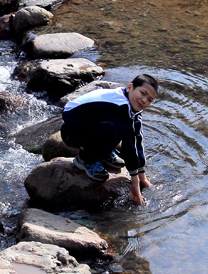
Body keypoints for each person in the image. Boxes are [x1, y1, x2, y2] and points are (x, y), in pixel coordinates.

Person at [60, 73, 158, 204]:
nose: (144, 100)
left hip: (90, 125)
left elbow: (137, 140)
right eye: (143, 93)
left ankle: (102, 153)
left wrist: (142, 177)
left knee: (121, 130)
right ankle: (86, 159)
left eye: (150, 99)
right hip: (72, 131)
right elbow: (129, 145)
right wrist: (135, 183)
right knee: (114, 130)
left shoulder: (131, 108)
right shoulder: (120, 105)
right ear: (130, 88)